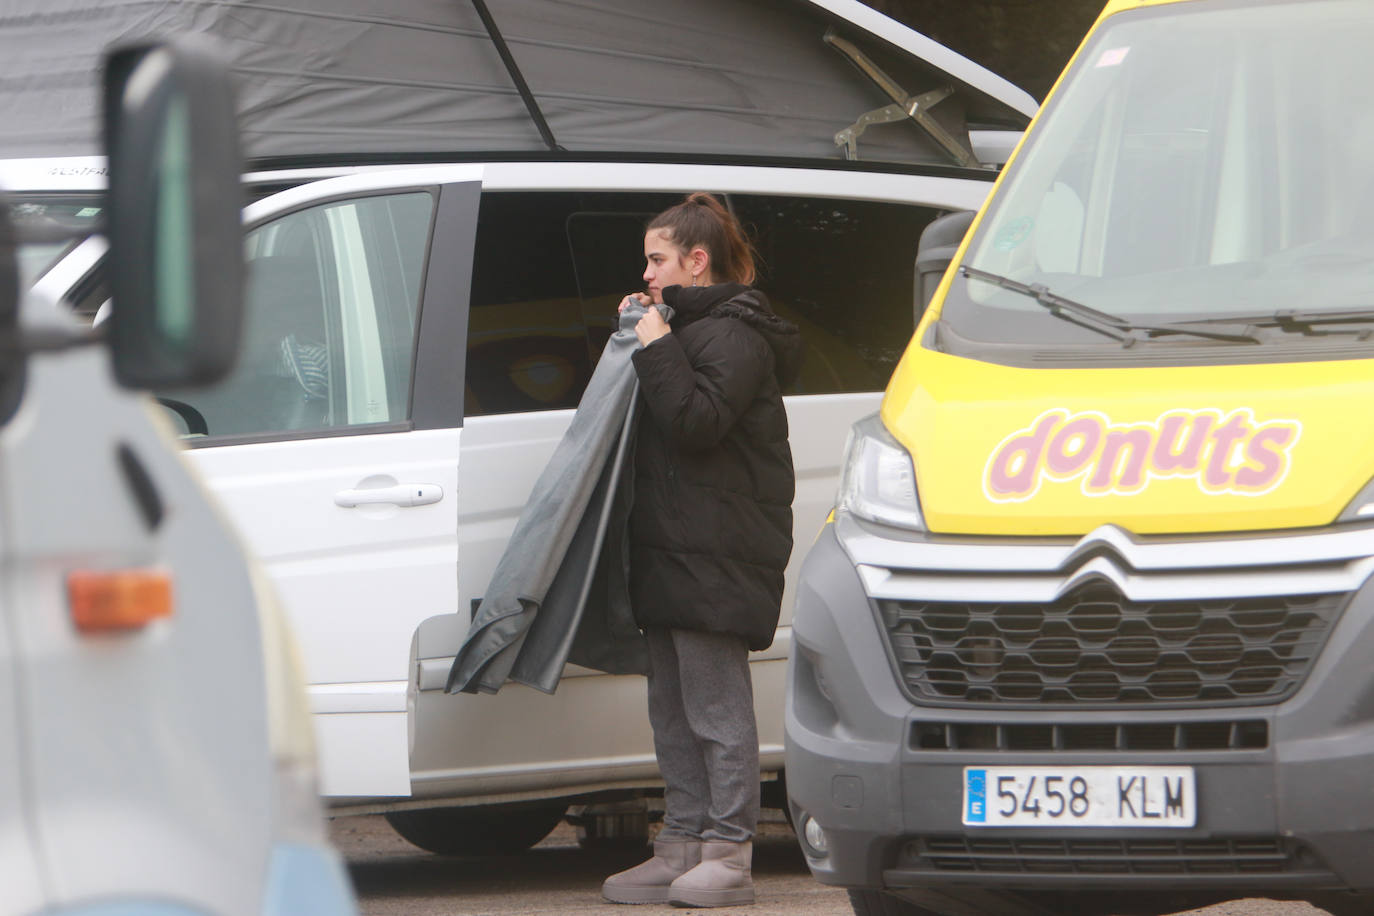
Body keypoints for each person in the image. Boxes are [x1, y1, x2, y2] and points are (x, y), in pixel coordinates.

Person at [601, 193, 801, 908]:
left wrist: (655, 341)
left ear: (696, 259)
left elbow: (695, 422)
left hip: (716, 553)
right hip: (669, 547)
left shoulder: (736, 335)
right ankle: (680, 844)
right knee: (673, 709)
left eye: (658, 260)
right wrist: (651, 334)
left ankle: (729, 853)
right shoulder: (684, 328)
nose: (648, 274)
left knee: (716, 711)